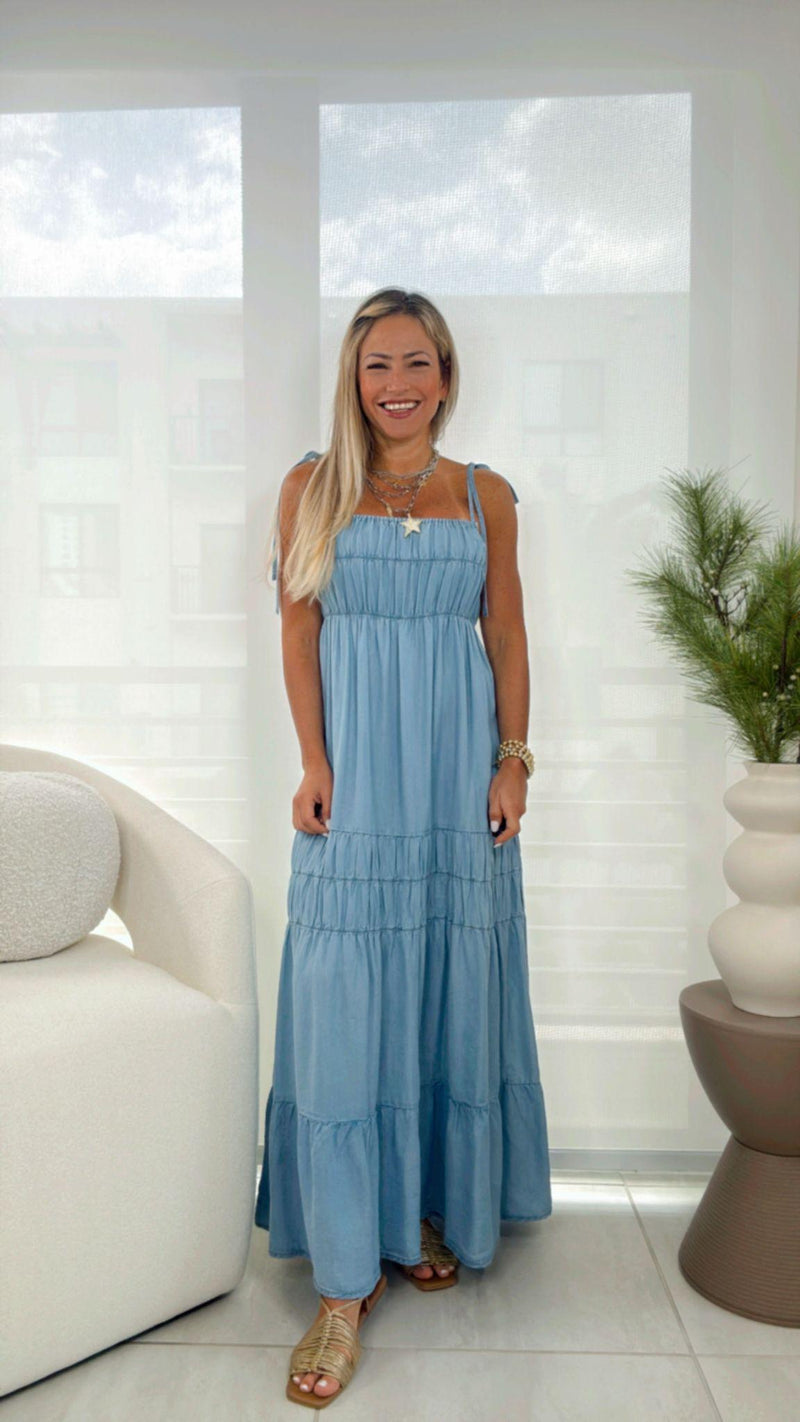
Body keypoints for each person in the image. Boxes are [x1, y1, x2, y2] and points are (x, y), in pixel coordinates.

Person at [256, 286, 552, 1408]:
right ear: (353, 377)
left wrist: (513, 759)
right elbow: (298, 629)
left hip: (456, 773)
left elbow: (506, 631)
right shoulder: (310, 488)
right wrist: (313, 761)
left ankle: (421, 1207)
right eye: (377, 364)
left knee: (443, 980)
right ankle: (343, 1286)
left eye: (415, 362)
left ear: (445, 375)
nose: (396, 384)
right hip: (356, 777)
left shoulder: (486, 495)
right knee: (346, 997)